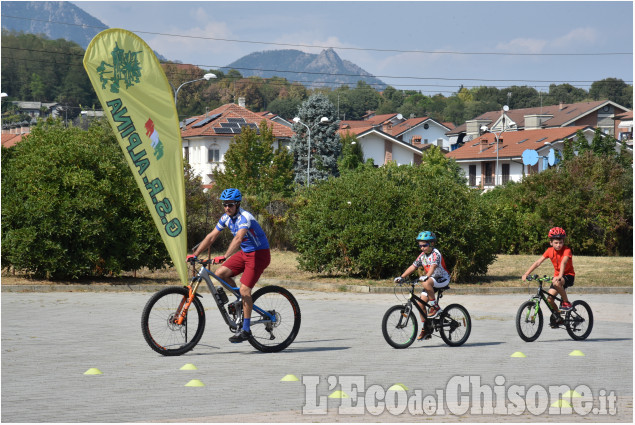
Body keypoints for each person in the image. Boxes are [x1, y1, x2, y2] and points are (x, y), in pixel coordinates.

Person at [187, 188, 271, 343]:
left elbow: (238, 238)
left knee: (245, 289)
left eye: (230, 205)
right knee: (220, 274)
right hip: (246, 253)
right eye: (224, 205)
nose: (227, 208)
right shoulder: (226, 217)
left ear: (237, 204)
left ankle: (246, 330)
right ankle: (242, 301)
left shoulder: (245, 217)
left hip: (259, 254)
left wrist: (225, 256)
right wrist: (195, 254)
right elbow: (211, 236)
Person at [394, 231, 451, 340]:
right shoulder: (422, 256)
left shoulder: (436, 253)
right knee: (420, 304)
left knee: (426, 282)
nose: (422, 248)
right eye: (420, 245)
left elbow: (433, 267)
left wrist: (427, 276)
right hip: (431, 280)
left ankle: (435, 307)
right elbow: (413, 267)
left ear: (432, 244)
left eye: (424, 245)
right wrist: (402, 277)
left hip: (442, 278)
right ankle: (426, 328)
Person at [522, 227, 574, 326]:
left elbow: (563, 262)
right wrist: (526, 273)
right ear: (551, 243)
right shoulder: (549, 251)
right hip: (557, 277)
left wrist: (559, 276)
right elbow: (538, 262)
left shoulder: (567, 250)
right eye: (556, 242)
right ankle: (558, 317)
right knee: (550, 299)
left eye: (561, 242)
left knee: (557, 282)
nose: (559, 245)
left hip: (568, 275)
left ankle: (566, 302)